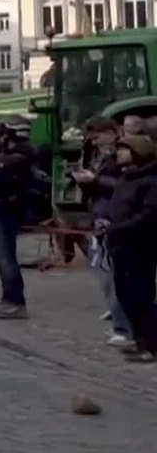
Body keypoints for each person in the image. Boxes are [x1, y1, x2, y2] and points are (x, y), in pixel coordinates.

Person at [0, 126, 51, 319]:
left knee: (5, 258)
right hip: (8, 209)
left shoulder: (8, 160)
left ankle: (15, 302)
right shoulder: (24, 158)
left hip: (1, 210)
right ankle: (8, 300)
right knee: (4, 257)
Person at [70, 116, 129, 343]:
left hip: (113, 217)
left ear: (112, 132)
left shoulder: (124, 155)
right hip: (100, 213)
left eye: (97, 137)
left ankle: (123, 325)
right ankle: (116, 314)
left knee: (115, 272)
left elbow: (123, 187)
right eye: (92, 139)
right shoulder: (100, 155)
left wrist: (95, 180)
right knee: (102, 269)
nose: (95, 143)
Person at [105, 135, 157, 362]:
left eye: (124, 149)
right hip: (120, 245)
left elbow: (147, 215)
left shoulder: (151, 180)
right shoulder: (126, 178)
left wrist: (118, 227)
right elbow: (116, 207)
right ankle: (138, 339)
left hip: (139, 245)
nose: (119, 153)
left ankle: (150, 345)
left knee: (141, 295)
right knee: (125, 294)